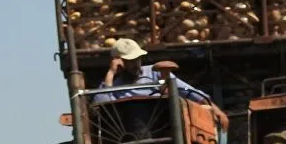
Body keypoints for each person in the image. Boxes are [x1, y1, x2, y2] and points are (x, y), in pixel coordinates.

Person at [95, 38, 229, 131]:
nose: (136, 63)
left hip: (165, 126)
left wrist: (216, 111)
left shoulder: (155, 72)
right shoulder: (113, 85)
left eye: (137, 58)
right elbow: (101, 106)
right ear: (119, 62)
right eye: (130, 60)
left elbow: (189, 92)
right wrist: (111, 72)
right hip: (133, 132)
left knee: (214, 122)